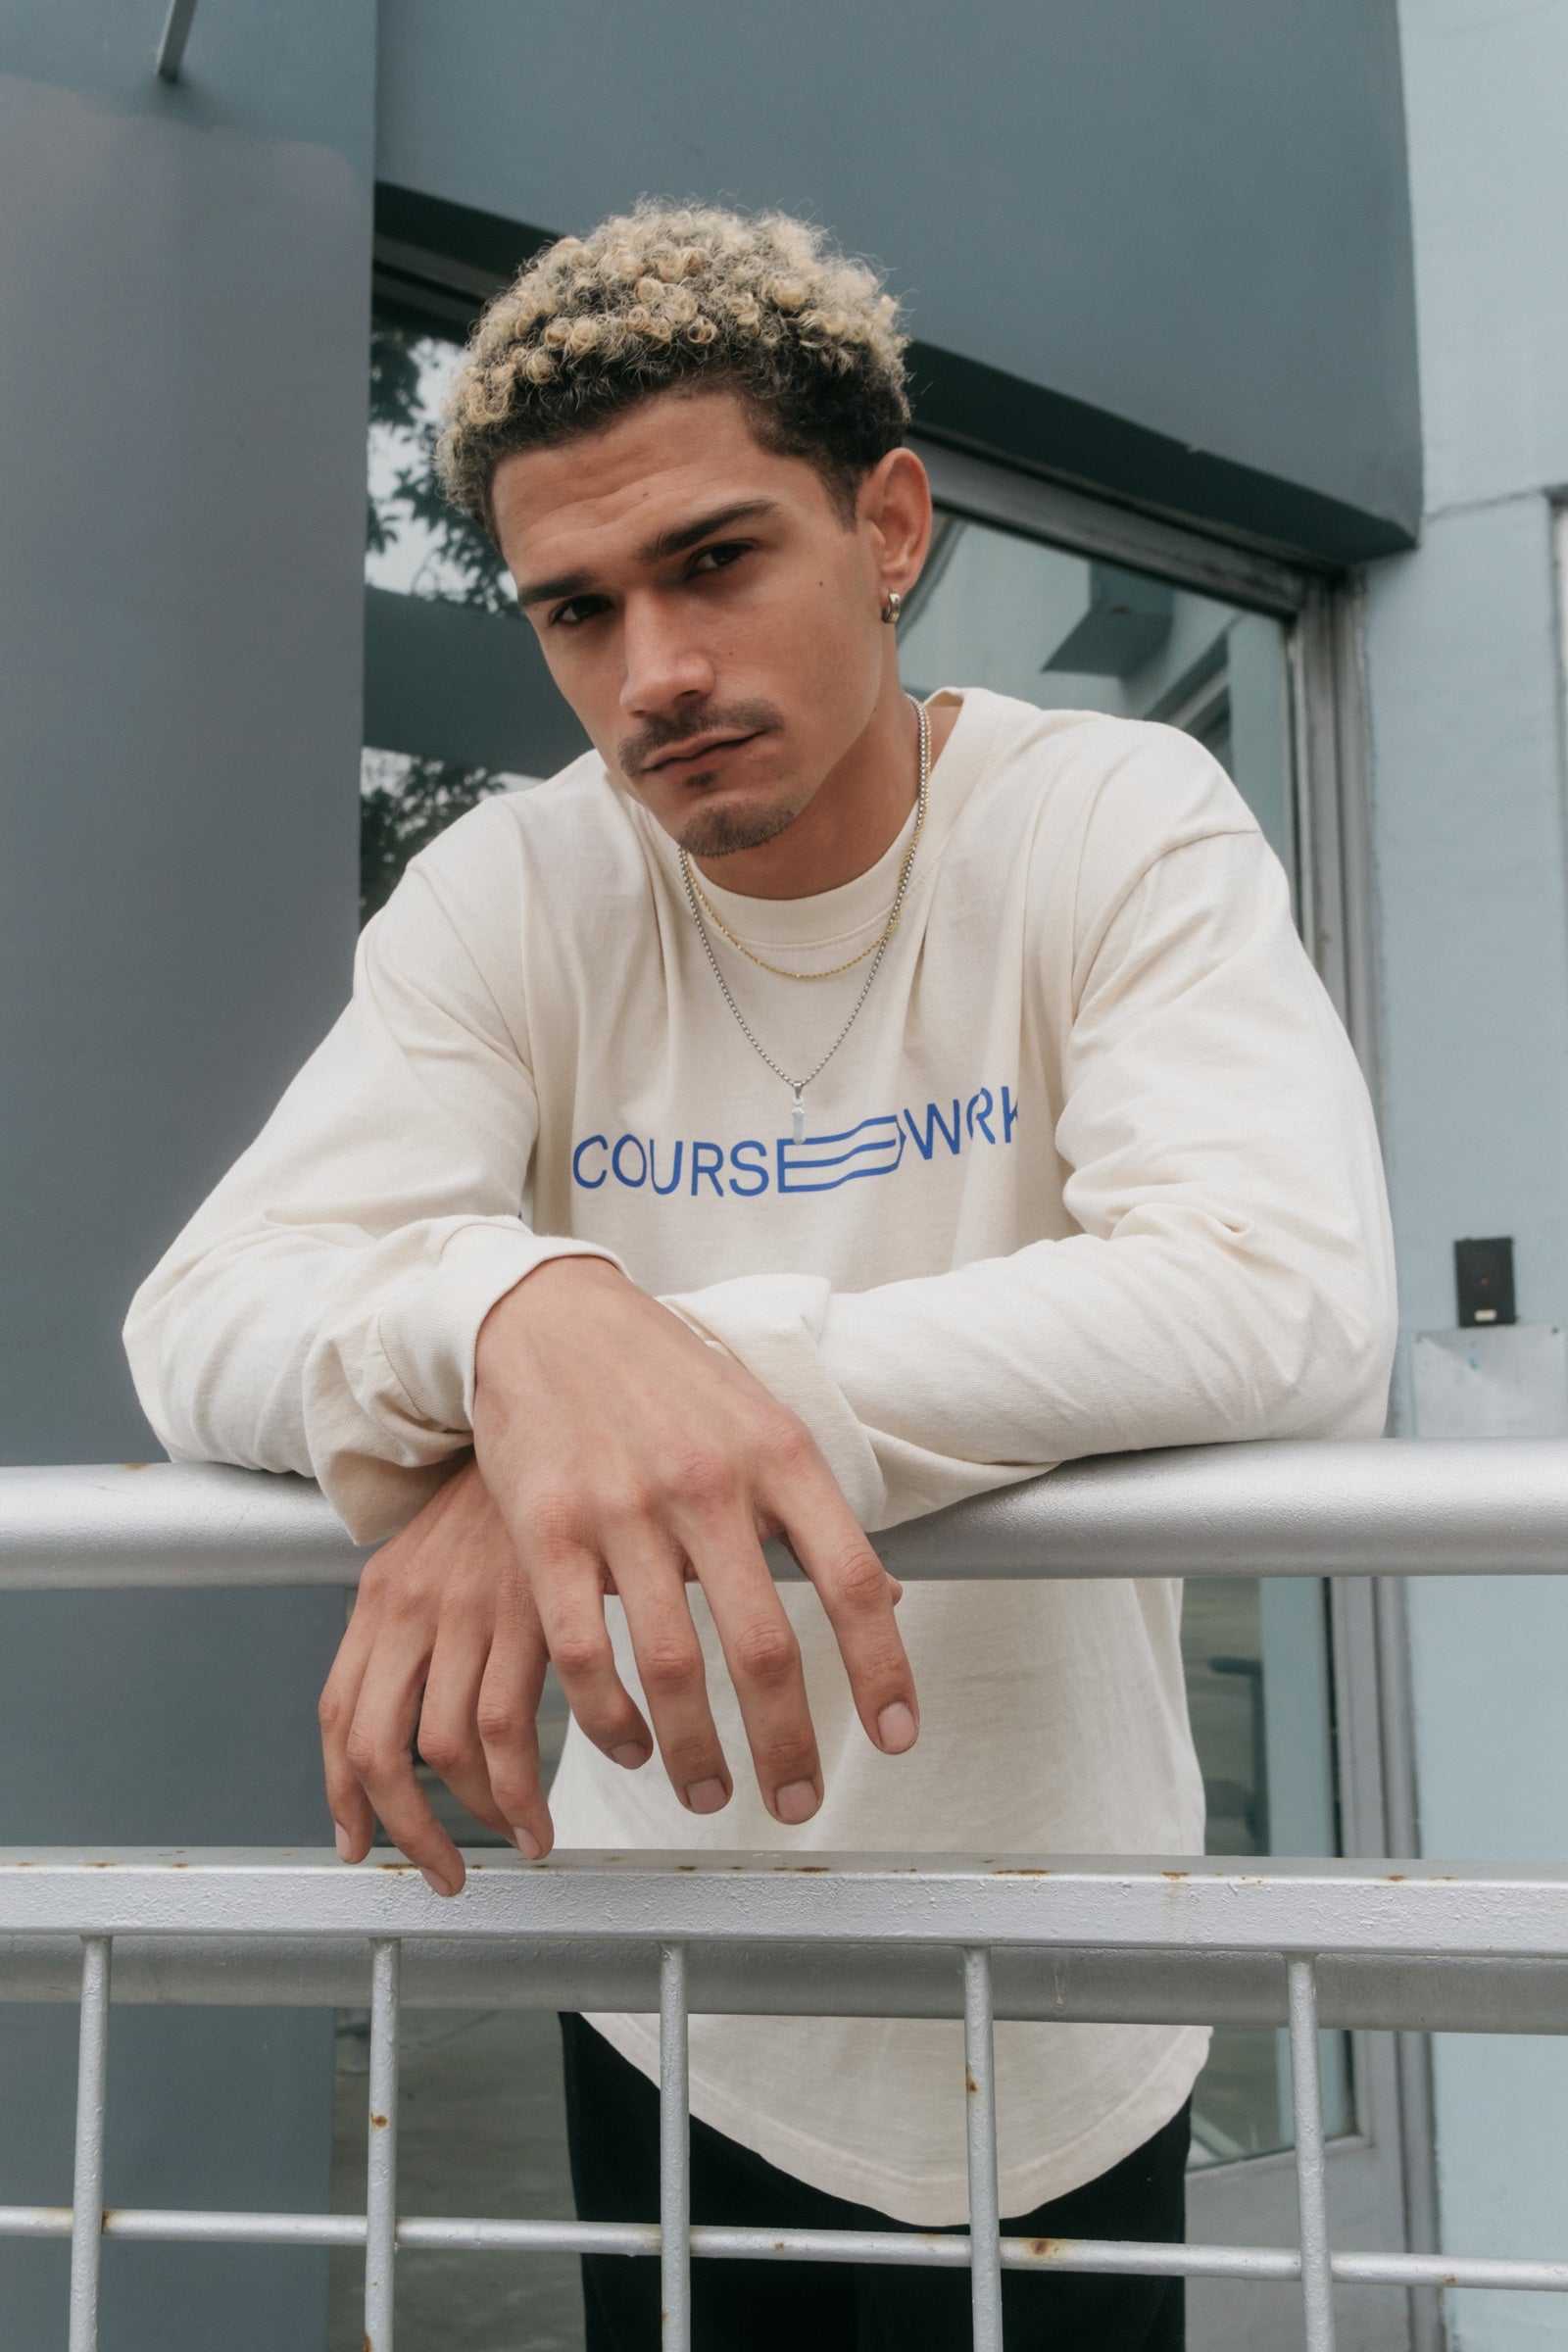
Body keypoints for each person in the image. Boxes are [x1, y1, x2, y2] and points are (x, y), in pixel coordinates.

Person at [125, 202, 1396, 2350]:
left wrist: (629, 1401)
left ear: (886, 521)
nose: (651, 678)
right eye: (575, 611)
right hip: (680, 1988)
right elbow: (202, 1318)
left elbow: (1274, 1291)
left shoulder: (1109, 815)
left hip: (1069, 1973)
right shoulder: (518, 887)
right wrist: (518, 1323)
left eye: (714, 563)